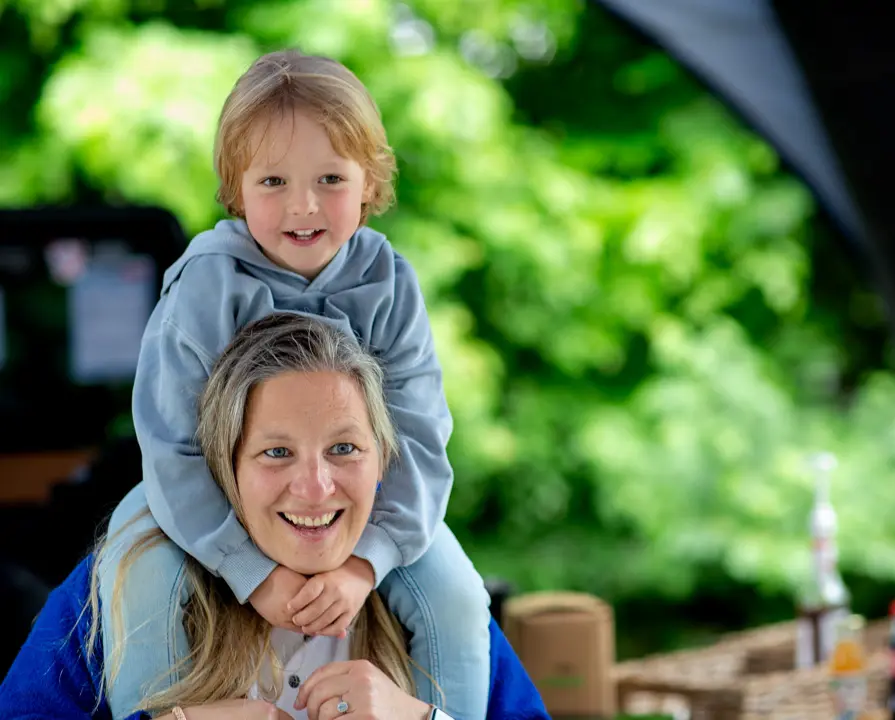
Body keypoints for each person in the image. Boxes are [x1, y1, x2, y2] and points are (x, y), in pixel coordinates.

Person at [97, 50, 491, 720]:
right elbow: (171, 447)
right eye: (273, 181)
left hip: (358, 501)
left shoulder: (392, 284)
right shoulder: (206, 284)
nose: (302, 206)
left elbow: (420, 441)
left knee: (455, 593)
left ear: (369, 182)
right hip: (194, 491)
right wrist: (253, 574)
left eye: (330, 178)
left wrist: (364, 565)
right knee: (140, 577)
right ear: (236, 187)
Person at [0, 313, 549, 720]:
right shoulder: (119, 589)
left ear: (383, 460)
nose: (315, 488)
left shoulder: (428, 602)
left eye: (344, 449)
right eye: (276, 453)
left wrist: (423, 719)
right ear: (225, 469)